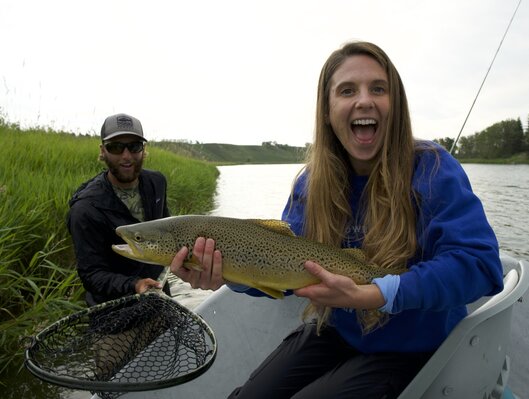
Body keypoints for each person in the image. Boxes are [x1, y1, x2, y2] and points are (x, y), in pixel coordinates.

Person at [170, 41, 504, 398]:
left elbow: (481, 266)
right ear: (327, 111)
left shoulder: (433, 167)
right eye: (347, 91)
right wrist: (225, 275)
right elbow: (281, 273)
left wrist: (378, 293)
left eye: (378, 88)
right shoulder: (311, 184)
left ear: (397, 106)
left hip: (415, 346)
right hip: (338, 332)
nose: (364, 100)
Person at [67, 113, 171, 306]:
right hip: (115, 316)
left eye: (134, 147)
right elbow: (92, 275)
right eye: (115, 147)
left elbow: (167, 231)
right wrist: (135, 285)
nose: (126, 156)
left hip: (161, 300)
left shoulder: (157, 182)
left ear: (143, 149)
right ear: (103, 151)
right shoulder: (85, 209)